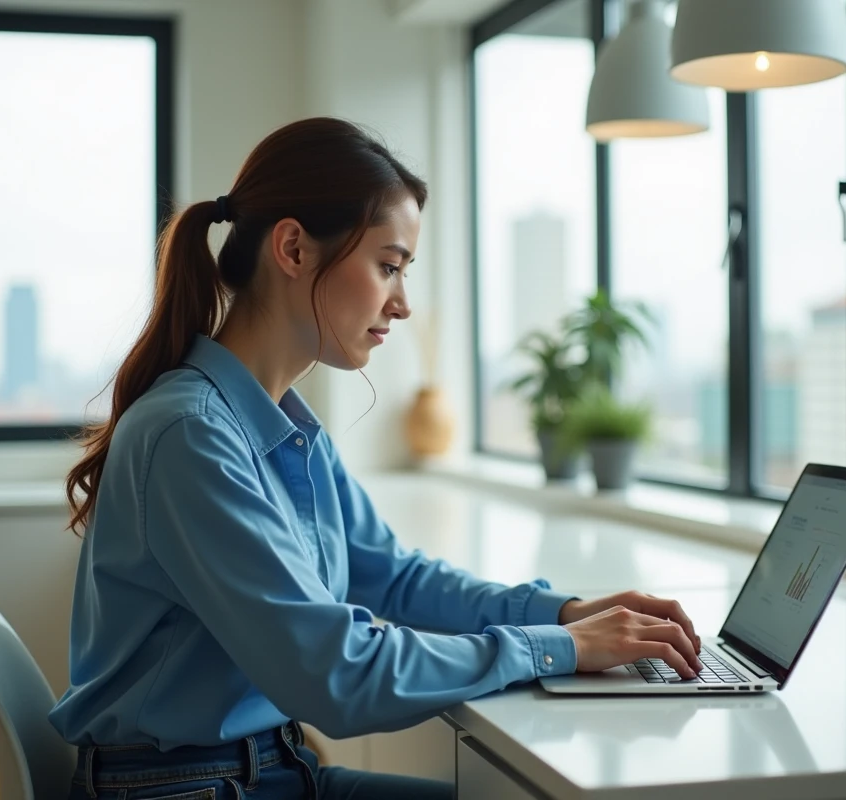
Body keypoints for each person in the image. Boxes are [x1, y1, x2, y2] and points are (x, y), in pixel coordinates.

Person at [50, 117, 703, 800]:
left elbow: (395, 579)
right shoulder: (192, 435)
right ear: (294, 248)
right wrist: (558, 650)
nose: (403, 303)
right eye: (388, 266)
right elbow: (334, 675)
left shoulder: (284, 430)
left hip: (266, 773)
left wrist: (562, 612)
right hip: (188, 789)